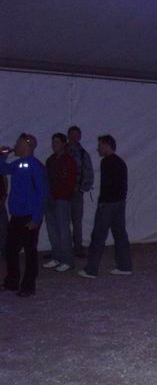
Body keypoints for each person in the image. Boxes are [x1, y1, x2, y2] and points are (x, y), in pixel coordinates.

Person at [0, 134, 48, 297]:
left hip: (29, 217)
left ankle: (28, 286)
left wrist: (36, 218)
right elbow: (3, 169)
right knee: (11, 249)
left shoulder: (35, 166)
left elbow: (42, 194)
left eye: (18, 143)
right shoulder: (19, 164)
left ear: (26, 146)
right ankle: (12, 282)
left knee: (29, 252)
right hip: (17, 216)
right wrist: (3, 156)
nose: (15, 146)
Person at [78, 135, 132, 278]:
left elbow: (107, 186)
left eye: (100, 145)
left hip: (108, 204)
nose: (98, 148)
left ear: (107, 145)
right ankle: (125, 266)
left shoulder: (106, 162)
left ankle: (91, 269)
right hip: (119, 203)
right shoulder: (120, 162)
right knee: (120, 234)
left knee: (98, 236)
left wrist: (102, 203)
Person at [42, 133, 78, 272]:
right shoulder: (50, 159)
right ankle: (57, 257)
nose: (54, 145)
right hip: (50, 198)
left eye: (57, 142)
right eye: (53, 142)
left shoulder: (69, 160)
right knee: (53, 230)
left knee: (63, 230)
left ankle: (67, 260)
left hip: (62, 199)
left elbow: (70, 181)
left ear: (63, 144)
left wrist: (62, 195)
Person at [66, 125, 94, 257]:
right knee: (63, 222)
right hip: (62, 194)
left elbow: (89, 172)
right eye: (72, 135)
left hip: (76, 193)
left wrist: (82, 188)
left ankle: (77, 248)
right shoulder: (62, 151)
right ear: (68, 136)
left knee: (77, 222)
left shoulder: (83, 154)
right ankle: (64, 248)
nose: (74, 137)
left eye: (76, 135)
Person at [0, 175, 8, 258]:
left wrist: (3, 199)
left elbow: (5, 181)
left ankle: (4, 251)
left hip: (0, 204)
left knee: (4, 229)